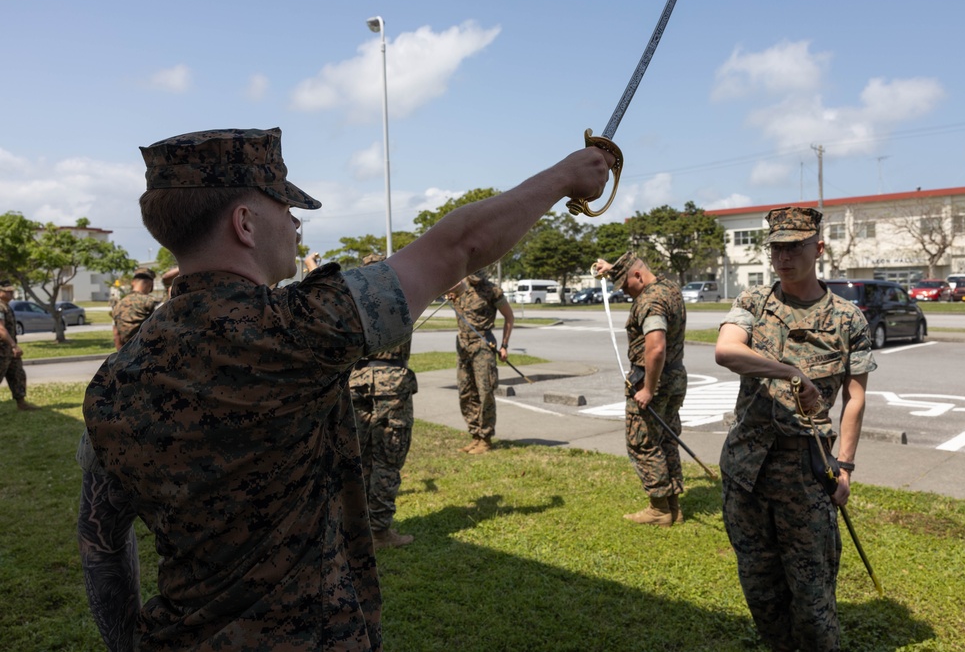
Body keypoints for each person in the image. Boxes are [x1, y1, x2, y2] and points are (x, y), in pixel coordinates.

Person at [77, 126, 613, 650]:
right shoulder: (296, 328)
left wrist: (126, 640)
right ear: (244, 223)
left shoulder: (116, 378)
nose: (294, 224)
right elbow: (460, 247)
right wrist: (566, 176)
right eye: (284, 209)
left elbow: (101, 539)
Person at [714, 206, 876, 651]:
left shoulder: (847, 319)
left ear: (818, 248)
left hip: (807, 471)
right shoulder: (753, 303)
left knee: (812, 589)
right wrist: (790, 372)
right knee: (760, 584)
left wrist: (844, 466)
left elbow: (855, 398)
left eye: (794, 247)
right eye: (776, 249)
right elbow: (726, 352)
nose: (783, 258)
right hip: (746, 469)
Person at [309, 253, 418, 550]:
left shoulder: (349, 301)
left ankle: (354, 528)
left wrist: (313, 267)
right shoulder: (399, 295)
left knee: (358, 458)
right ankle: (380, 531)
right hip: (390, 385)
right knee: (387, 459)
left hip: (355, 383)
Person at [592, 253, 686, 526]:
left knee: (642, 443)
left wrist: (647, 389)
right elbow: (630, 273)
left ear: (638, 276)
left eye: (625, 286)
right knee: (666, 440)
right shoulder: (668, 287)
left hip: (653, 379)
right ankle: (673, 507)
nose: (623, 291)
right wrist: (611, 270)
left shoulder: (650, 301)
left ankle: (659, 509)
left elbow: (655, 348)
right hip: (675, 376)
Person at [445, 273, 515, 455]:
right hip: (463, 345)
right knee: (466, 391)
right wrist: (450, 295)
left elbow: (509, 317)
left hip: (482, 344)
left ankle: (485, 438)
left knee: (485, 392)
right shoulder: (458, 287)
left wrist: (504, 345)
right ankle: (475, 434)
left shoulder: (492, 291)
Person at [0, 282, 39, 411]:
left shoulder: (7, 306)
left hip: (9, 350)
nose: (11, 293)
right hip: (2, 350)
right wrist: (13, 345)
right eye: (7, 291)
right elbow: (1, 329)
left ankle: (21, 403)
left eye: (12, 291)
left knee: (17, 374)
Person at [111, 267, 158, 350]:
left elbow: (116, 335)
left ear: (133, 283)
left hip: (127, 354)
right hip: (148, 355)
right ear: (150, 284)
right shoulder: (150, 302)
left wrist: (122, 357)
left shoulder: (119, 304)